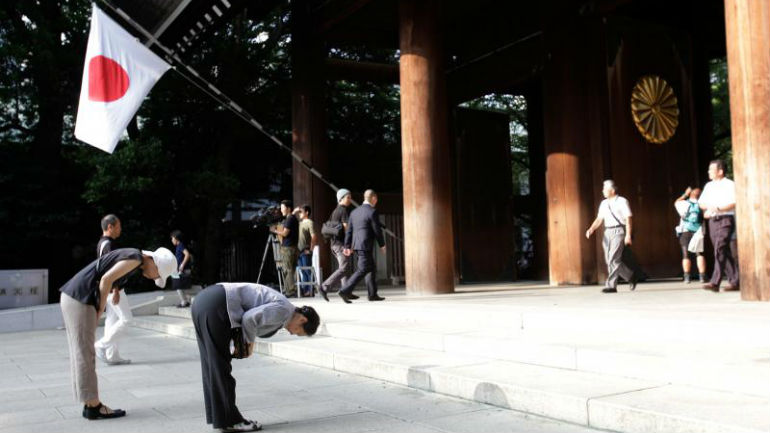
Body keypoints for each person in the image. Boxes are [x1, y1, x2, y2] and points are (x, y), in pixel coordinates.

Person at [60, 247, 177, 420]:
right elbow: (106, 279)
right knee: (85, 354)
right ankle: (93, 405)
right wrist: (100, 309)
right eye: (158, 275)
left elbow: (108, 277)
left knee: (81, 353)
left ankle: (89, 403)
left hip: (74, 297)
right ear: (155, 263)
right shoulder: (136, 258)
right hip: (81, 299)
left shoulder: (132, 256)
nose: (155, 278)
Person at [191, 283, 319, 432]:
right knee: (220, 367)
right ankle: (232, 421)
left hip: (204, 301)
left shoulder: (283, 308)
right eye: (298, 332)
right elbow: (249, 319)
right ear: (303, 320)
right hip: (218, 304)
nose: (292, 333)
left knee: (212, 366)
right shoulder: (284, 311)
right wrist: (249, 343)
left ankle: (219, 417)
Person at [585, 180, 639, 293]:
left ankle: (611, 285)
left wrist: (628, 235)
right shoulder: (604, 203)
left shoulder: (622, 201)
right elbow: (599, 219)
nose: (603, 191)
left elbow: (628, 218)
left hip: (619, 230)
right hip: (607, 232)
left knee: (613, 258)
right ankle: (630, 276)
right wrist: (591, 229)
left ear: (613, 191)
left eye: (605, 189)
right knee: (610, 260)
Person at [93, 214, 133, 366]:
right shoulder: (107, 245)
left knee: (112, 320)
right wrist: (116, 289)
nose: (120, 229)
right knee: (127, 319)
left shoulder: (103, 243)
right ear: (110, 227)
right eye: (118, 226)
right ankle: (101, 345)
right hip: (113, 289)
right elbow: (109, 269)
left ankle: (112, 355)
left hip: (109, 289)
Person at [338, 189, 386, 303]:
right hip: (365, 244)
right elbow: (377, 230)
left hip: (357, 245)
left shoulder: (355, 212)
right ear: (373, 198)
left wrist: (347, 246)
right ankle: (344, 290)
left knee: (371, 268)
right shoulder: (372, 212)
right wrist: (382, 244)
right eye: (376, 199)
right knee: (363, 269)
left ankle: (372, 294)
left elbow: (349, 231)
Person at [699, 159, 739, 292]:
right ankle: (735, 281)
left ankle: (715, 282)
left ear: (720, 171)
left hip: (726, 218)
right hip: (712, 220)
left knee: (719, 248)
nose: (709, 172)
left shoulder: (730, 184)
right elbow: (701, 203)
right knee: (723, 251)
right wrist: (708, 208)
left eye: (712, 169)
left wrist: (719, 208)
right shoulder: (708, 186)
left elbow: (734, 202)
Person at [319, 188, 356, 302]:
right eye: (347, 197)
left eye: (350, 197)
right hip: (341, 244)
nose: (350, 199)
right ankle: (324, 287)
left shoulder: (335, 211)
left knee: (344, 267)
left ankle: (346, 291)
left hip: (334, 244)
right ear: (341, 199)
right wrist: (349, 245)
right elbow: (346, 229)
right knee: (344, 268)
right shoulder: (343, 211)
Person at [674, 187, 707, 283]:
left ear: (691, 194)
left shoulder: (684, 203)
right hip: (698, 231)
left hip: (685, 230)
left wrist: (685, 194)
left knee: (685, 254)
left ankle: (687, 276)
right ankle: (702, 276)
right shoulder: (702, 204)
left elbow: (676, 202)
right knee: (699, 254)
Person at [270, 200, 298, 297]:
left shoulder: (289, 219)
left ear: (288, 208)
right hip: (293, 247)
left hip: (288, 247)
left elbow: (285, 233)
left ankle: (290, 291)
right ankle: (289, 290)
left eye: (283, 208)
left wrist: (275, 231)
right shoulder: (292, 218)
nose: (281, 210)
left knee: (287, 269)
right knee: (290, 269)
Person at [295, 205, 317, 295]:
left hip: (305, 250)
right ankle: (305, 291)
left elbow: (314, 236)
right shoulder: (299, 223)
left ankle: (311, 290)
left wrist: (311, 250)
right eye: (299, 212)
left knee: (307, 271)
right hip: (298, 251)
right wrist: (295, 211)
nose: (299, 214)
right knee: (302, 271)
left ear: (307, 212)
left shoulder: (309, 222)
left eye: (301, 212)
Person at [171, 230, 193, 307]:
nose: (172, 240)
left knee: (178, 285)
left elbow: (187, 254)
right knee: (180, 286)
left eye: (172, 238)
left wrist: (182, 265)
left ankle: (185, 301)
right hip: (181, 269)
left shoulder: (180, 246)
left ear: (176, 239)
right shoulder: (178, 247)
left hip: (183, 269)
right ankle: (186, 301)